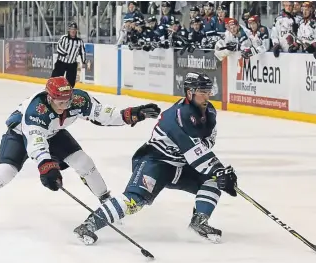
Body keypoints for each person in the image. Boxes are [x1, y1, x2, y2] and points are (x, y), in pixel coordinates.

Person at [0, 77, 161, 232]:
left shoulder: (78, 100)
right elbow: (36, 143)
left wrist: (133, 114)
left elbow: (102, 114)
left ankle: (106, 200)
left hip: (53, 133)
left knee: (84, 162)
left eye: (67, 100)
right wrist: (47, 167)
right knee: (4, 172)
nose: (65, 106)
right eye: (60, 102)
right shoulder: (37, 110)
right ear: (49, 97)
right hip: (19, 135)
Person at [73, 72, 238, 245]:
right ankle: (89, 224)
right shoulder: (176, 117)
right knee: (134, 201)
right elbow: (193, 150)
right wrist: (218, 169)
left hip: (181, 165)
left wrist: (219, 173)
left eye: (208, 91)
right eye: (202, 92)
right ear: (189, 93)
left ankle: (199, 221)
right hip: (155, 162)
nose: (206, 96)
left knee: (214, 180)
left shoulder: (209, 111)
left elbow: (207, 143)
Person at [51, 22, 85, 87]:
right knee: (55, 80)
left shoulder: (79, 41)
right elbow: (58, 47)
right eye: (72, 29)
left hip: (72, 64)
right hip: (61, 62)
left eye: (75, 29)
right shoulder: (64, 38)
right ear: (69, 30)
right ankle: (50, 93)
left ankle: (68, 94)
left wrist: (84, 61)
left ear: (76, 30)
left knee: (71, 83)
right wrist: (65, 53)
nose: (73, 31)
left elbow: (82, 52)